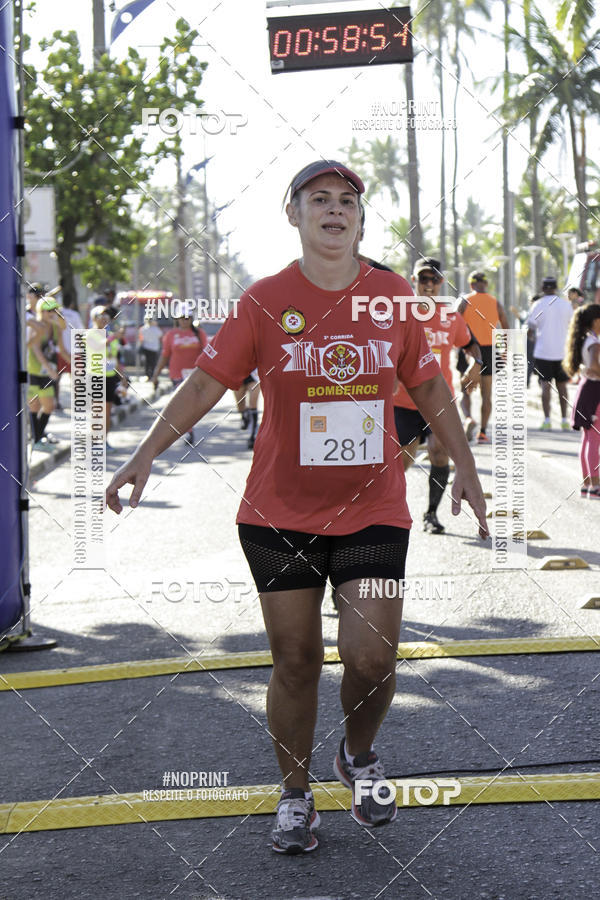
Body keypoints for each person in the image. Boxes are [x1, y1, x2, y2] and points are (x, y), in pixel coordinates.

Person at [106, 160, 488, 855]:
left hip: (373, 508)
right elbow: (204, 385)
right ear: (296, 215)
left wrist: (463, 466)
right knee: (296, 659)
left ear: (360, 219)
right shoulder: (263, 300)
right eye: (320, 199)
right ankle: (294, 795)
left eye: (347, 201)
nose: (335, 210)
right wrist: (144, 455)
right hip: (277, 512)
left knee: (371, 658)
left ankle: (359, 755)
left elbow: (431, 391)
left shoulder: (393, 297)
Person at [393, 258, 483, 534]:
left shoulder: (450, 316)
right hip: (403, 402)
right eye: (423, 279)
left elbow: (472, 346)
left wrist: (475, 366)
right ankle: (392, 513)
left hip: (439, 399)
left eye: (434, 280)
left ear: (441, 282)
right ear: (413, 280)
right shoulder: (399, 313)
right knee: (402, 461)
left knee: (439, 453)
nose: (429, 285)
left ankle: (431, 514)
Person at [457, 271, 509, 443]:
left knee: (465, 391)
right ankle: (483, 433)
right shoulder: (496, 302)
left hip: (469, 348)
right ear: (485, 284)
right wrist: (505, 350)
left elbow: (453, 321)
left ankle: (468, 419)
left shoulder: (464, 300)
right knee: (487, 395)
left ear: (471, 285)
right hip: (490, 349)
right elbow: (506, 327)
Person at [151, 307, 208, 444]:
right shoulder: (171, 335)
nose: (184, 321)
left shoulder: (199, 333)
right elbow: (165, 356)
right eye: (182, 318)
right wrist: (156, 374)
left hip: (195, 374)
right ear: (177, 319)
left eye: (187, 318)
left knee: (191, 405)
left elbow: (206, 353)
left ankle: (188, 428)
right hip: (177, 374)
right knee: (183, 404)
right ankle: (188, 431)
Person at [526, 276, 573, 430]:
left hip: (543, 352)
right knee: (563, 387)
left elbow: (530, 329)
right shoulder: (566, 305)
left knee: (545, 387)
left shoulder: (537, 305)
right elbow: (572, 326)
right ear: (555, 288)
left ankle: (547, 420)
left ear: (543, 288)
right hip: (562, 352)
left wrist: (533, 338)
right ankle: (565, 420)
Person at [564, 303, 600, 498]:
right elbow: (595, 366)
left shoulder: (584, 339)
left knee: (588, 439)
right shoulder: (594, 342)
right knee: (595, 439)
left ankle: (587, 484)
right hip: (595, 390)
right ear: (596, 321)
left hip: (586, 389)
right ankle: (596, 486)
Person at [27, 296, 66, 451]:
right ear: (40, 311)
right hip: (34, 371)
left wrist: (79, 365)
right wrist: (50, 370)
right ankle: (36, 440)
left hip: (47, 373)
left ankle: (38, 437)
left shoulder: (56, 328)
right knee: (34, 406)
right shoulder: (36, 326)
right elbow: (35, 349)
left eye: (54, 310)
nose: (51, 313)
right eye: (48, 310)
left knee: (49, 406)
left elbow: (62, 350)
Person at [90, 306, 128, 451]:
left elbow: (115, 358)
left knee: (107, 411)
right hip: (96, 376)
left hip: (110, 377)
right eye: (100, 315)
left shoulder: (111, 335)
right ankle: (95, 442)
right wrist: (112, 337)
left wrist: (122, 377)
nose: (104, 318)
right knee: (97, 411)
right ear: (94, 318)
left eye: (106, 315)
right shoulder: (91, 334)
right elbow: (97, 347)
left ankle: (104, 441)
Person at [234, 371, 262, 449]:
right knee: (240, 405)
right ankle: (244, 415)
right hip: (238, 373)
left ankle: (253, 436)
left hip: (253, 374)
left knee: (253, 404)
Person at [139, 316, 162, 380]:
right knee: (153, 363)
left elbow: (141, 338)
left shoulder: (143, 328)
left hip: (146, 347)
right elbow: (160, 335)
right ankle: (152, 375)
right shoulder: (155, 328)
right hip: (154, 348)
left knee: (147, 363)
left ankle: (147, 375)